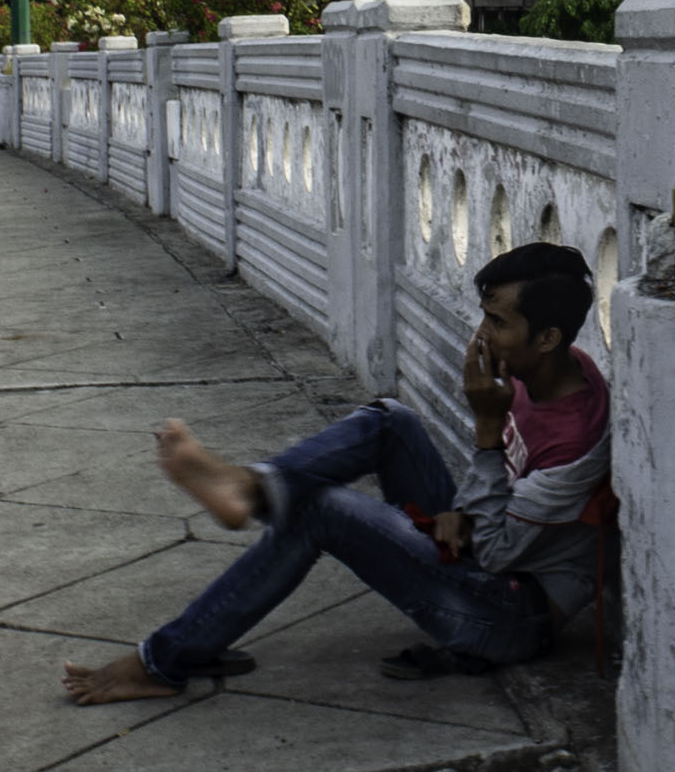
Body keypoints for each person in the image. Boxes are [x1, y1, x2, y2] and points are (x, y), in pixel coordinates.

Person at [64, 243, 609, 704]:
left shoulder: (575, 446)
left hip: (512, 615)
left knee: (323, 512)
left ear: (548, 338)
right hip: (491, 543)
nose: (481, 335)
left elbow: (494, 552)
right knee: (391, 422)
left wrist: (486, 430)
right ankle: (252, 488)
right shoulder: (558, 367)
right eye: (484, 316)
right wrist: (463, 513)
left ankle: (164, 663)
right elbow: (488, 516)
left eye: (498, 322)